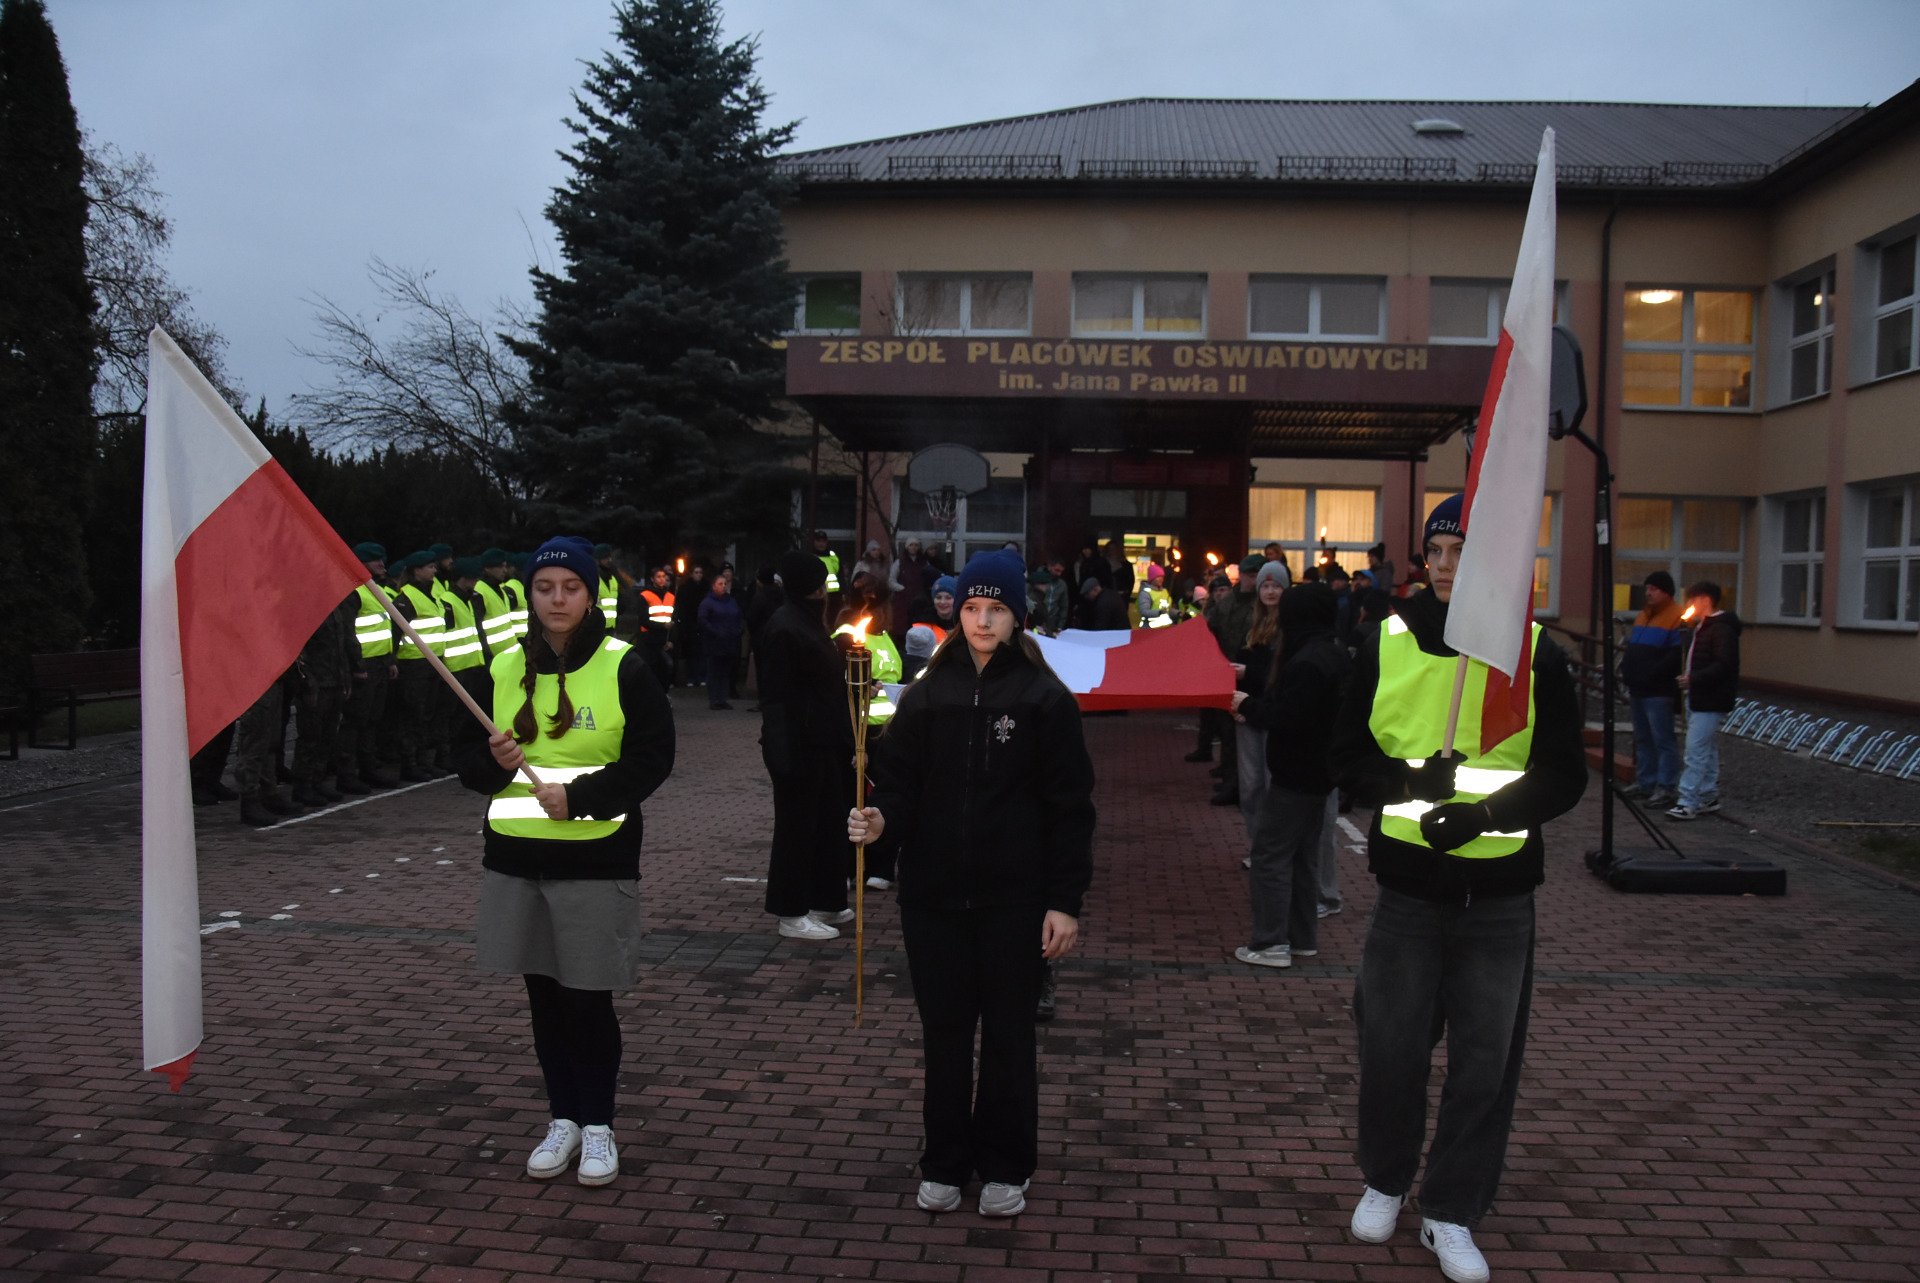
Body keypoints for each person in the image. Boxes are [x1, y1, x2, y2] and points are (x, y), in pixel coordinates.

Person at [1330, 494, 1586, 1283]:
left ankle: (1451, 1208)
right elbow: (1343, 759)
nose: (1444, 566)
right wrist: (1410, 777)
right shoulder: (1386, 639)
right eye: (1436, 551)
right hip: (1408, 893)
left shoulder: (1533, 650)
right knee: (1391, 1047)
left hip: (1501, 897)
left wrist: (1483, 813)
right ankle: (1385, 1178)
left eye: (1462, 551)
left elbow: (1565, 774)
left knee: (1484, 1062)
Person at [849, 549, 1095, 1219]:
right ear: (958, 612)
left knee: (1010, 1035)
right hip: (933, 898)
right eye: (972, 607)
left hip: (1014, 900)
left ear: (1018, 615)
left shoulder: (1045, 700)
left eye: (996, 608)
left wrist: (1063, 902)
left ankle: (1006, 1162)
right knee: (946, 1034)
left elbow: (1070, 809)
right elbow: (897, 781)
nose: (982, 620)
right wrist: (880, 821)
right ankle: (945, 1158)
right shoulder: (929, 693)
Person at [455, 535, 674, 1187]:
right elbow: (465, 764)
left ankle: (600, 1123)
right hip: (517, 859)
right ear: (530, 592)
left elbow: (651, 759)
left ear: (589, 593)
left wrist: (578, 797)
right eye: (545, 586)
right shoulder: (499, 666)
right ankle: (563, 1119)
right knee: (543, 998)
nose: (557, 598)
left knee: (587, 999)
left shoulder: (624, 665)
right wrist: (489, 766)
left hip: (595, 859)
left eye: (570, 587)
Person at [1232, 583, 1351, 967]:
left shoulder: (1305, 661)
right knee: (1304, 858)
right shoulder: (1333, 655)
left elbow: (1290, 718)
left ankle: (1270, 944)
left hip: (1294, 775)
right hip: (1320, 775)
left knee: (1269, 856)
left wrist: (1248, 705)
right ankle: (1302, 938)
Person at [757, 551, 857, 940]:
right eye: (821, 586)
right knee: (797, 831)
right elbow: (777, 699)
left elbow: (824, 682)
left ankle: (826, 900)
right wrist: (783, 756)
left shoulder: (809, 624)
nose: (826, 592)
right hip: (798, 746)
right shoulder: (785, 628)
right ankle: (791, 912)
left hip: (822, 743)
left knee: (829, 823)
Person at [1667, 581, 1741, 821]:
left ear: (1705, 600)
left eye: (1692, 600)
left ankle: (1687, 800)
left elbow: (1723, 664)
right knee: (1706, 749)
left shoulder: (1720, 630)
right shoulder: (1704, 628)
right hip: (1700, 696)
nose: (1689, 605)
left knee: (1695, 750)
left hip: (1710, 697)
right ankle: (1708, 795)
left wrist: (1694, 679)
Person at [1231, 562, 1288, 846]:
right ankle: (1257, 846)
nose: (1269, 591)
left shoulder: (1288, 627)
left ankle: (1269, 848)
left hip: (1270, 712)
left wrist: (1248, 673)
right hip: (1249, 711)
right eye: (1265, 586)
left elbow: (1278, 673)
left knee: (1268, 782)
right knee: (1250, 785)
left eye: (1276, 585)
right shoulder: (1253, 625)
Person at [335, 543, 398, 794]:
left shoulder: (375, 589)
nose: (382, 565)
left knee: (372, 720)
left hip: (381, 663)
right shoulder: (354, 592)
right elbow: (349, 633)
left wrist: (391, 660)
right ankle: (347, 774)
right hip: (364, 666)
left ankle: (368, 768)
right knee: (355, 722)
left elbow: (385, 628)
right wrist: (357, 666)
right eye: (376, 561)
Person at [1621, 570, 1686, 808]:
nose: (1648, 593)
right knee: (1643, 738)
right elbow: (1633, 649)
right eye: (1647, 588)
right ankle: (1646, 782)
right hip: (1639, 686)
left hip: (1658, 689)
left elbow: (1676, 655)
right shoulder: (1642, 616)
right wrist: (1628, 671)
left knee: (1662, 738)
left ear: (1666, 592)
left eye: (1653, 589)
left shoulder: (1677, 617)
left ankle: (1666, 786)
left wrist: (1652, 673)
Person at [1202, 557, 1264, 806]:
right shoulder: (1227, 602)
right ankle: (1232, 782)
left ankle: (1244, 785)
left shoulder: (1265, 605)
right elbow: (1209, 630)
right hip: (1226, 673)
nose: (1252, 579)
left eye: (1256, 574)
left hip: (1253, 676)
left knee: (1248, 735)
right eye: (1249, 574)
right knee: (1228, 733)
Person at [290, 594, 359, 808]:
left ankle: (317, 781)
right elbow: (300, 652)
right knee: (310, 737)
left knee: (327, 736)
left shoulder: (335, 609)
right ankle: (302, 785)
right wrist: (308, 684)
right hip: (317, 684)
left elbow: (342, 647)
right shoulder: (306, 612)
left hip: (334, 681)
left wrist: (345, 680)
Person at [391, 552, 451, 781]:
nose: (434, 571)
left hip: (432, 664)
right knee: (412, 717)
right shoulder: (407, 597)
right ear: (417, 570)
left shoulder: (428, 595)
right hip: (413, 666)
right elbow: (395, 634)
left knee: (427, 716)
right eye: (430, 567)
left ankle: (423, 762)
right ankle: (410, 764)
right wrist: (393, 662)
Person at [697, 572, 746, 710]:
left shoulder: (731, 601)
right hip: (714, 642)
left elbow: (739, 616)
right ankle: (714, 699)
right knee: (714, 672)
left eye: (725, 584)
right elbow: (703, 620)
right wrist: (716, 632)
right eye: (720, 584)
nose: (723, 586)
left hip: (730, 642)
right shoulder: (707, 603)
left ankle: (723, 698)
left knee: (725, 672)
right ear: (713, 586)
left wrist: (739, 629)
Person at [1136, 563, 1174, 628]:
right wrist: (1159, 612)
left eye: (1162, 577)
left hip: (1166, 629)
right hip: (1150, 629)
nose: (1161, 579)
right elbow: (1144, 611)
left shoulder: (1164, 591)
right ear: (1152, 578)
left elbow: (1168, 609)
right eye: (1158, 577)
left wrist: (1177, 613)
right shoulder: (1146, 593)